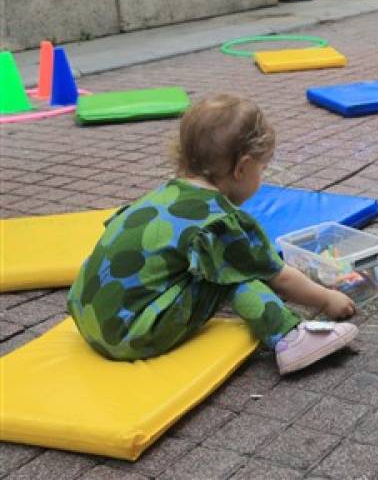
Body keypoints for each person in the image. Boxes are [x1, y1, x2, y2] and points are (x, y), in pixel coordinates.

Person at [66, 94, 358, 375]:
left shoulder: (163, 196)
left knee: (213, 264)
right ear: (242, 168)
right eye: (262, 169)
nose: (261, 177)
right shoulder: (218, 221)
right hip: (128, 337)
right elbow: (279, 277)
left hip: (88, 318)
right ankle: (291, 338)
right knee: (227, 270)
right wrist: (326, 299)